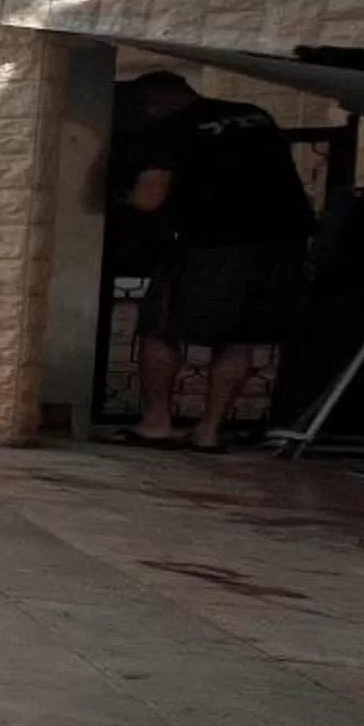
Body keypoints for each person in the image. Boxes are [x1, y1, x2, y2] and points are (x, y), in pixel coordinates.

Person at [119, 69, 316, 451]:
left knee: (159, 327)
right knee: (238, 336)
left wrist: (120, 197)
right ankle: (208, 431)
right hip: (283, 244)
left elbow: (149, 198)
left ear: (156, 100)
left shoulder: (170, 129)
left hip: (213, 244)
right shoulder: (253, 114)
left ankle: (156, 424)